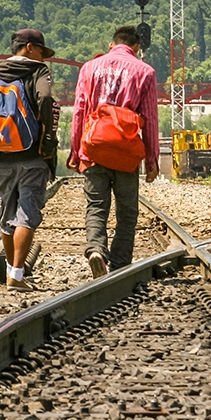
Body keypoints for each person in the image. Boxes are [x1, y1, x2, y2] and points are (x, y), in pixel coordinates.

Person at [0, 29, 59, 290]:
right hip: (32, 155)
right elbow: (46, 98)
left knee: (7, 216)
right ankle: (16, 275)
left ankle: (11, 271)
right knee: (27, 213)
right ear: (29, 47)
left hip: (1, 156)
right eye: (41, 51)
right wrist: (48, 137)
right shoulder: (38, 71)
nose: (43, 57)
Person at [67, 25, 160, 277]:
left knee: (96, 205)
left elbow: (79, 111)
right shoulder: (145, 72)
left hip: (94, 148)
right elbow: (150, 118)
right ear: (137, 48)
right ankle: (120, 266)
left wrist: (76, 151)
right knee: (127, 212)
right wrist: (151, 159)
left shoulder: (89, 68)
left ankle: (96, 249)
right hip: (126, 152)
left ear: (111, 44)